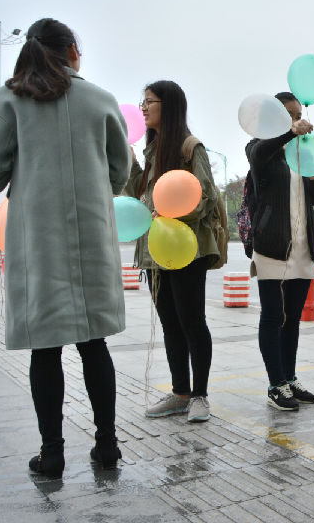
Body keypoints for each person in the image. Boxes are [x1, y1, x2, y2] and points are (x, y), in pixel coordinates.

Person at [0, 18, 129, 476]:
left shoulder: (10, 99)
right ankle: (107, 445)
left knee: (46, 348)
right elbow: (119, 172)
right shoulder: (100, 99)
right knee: (93, 341)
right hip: (91, 237)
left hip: (37, 240)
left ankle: (52, 453)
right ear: (73, 50)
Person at [126, 80, 220, 424]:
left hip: (185, 251)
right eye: (143, 102)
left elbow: (205, 197)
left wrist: (170, 214)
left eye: (149, 102)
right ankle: (180, 392)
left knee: (192, 321)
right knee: (169, 323)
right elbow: (134, 194)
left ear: (169, 106)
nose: (144, 108)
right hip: (153, 252)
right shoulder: (151, 152)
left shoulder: (189, 147)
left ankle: (200, 396)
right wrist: (129, 161)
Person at [246, 92, 314, 411]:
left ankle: (290, 378)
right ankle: (275, 383)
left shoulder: (302, 153)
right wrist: (288, 133)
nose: (296, 119)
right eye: (288, 115)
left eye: (297, 114)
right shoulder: (260, 146)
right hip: (272, 245)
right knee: (273, 315)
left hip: (303, 245)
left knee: (293, 318)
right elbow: (258, 155)